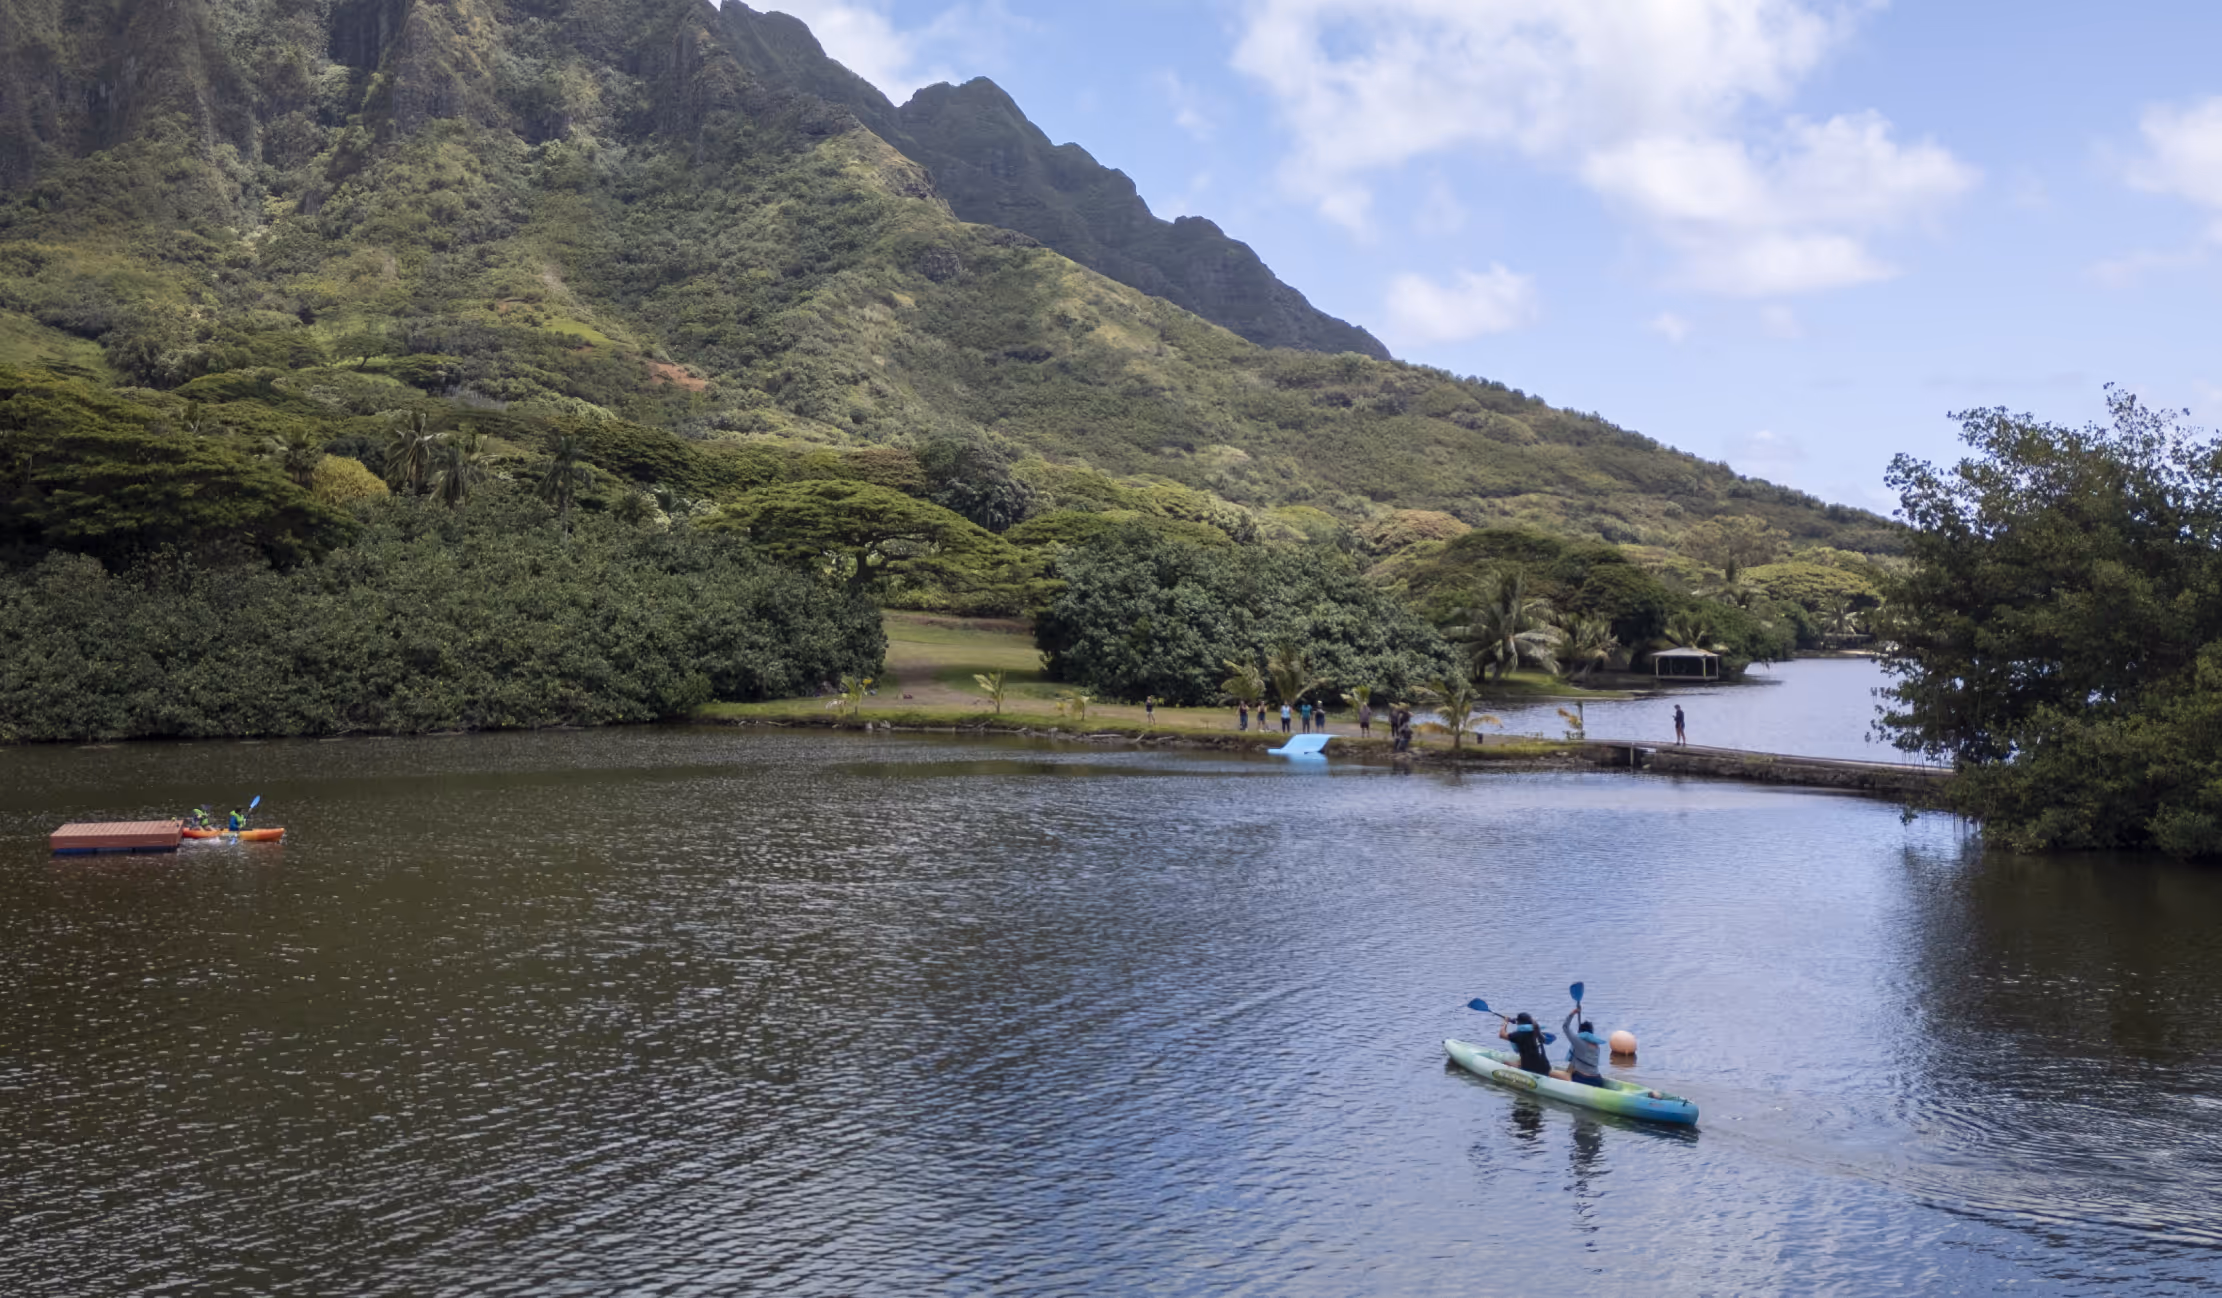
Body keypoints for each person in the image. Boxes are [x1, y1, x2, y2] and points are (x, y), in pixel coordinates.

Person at [1556, 1010, 1609, 1087]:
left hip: (1583, 1080)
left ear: (1580, 1032)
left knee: (1552, 1073)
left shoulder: (1579, 1042)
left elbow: (1565, 1027)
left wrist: (1572, 1013)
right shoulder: (1597, 1046)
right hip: (1597, 1080)